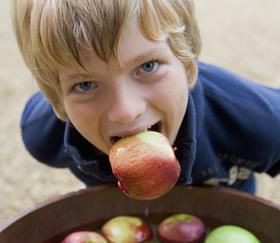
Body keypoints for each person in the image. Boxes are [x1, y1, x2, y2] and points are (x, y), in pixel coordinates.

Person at [12, 0, 280, 194]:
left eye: (147, 66)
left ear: (187, 65)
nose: (126, 111)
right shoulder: (43, 136)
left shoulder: (255, 120)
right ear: (59, 102)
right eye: (85, 84)